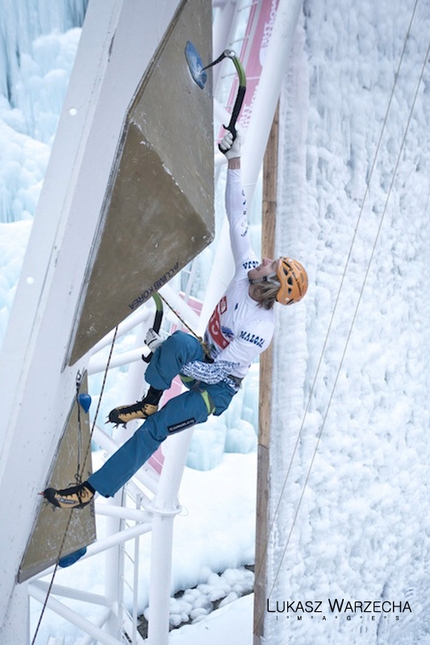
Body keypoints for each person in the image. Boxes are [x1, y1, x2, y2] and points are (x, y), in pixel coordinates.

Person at [43, 132, 308, 510]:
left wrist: (165, 351)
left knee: (157, 429)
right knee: (181, 344)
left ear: (270, 283)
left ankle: (89, 490)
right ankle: (149, 400)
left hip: (214, 391)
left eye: (272, 265)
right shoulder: (246, 269)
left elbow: (217, 374)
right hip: (203, 358)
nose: (265, 259)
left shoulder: (259, 329)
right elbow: (238, 218)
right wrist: (234, 160)